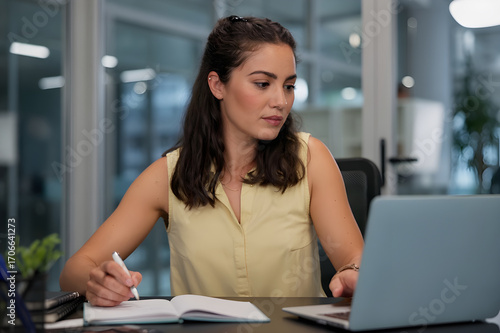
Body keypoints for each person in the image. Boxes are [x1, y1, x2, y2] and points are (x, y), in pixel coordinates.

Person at [60, 15, 363, 307]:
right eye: (262, 84)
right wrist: (98, 282)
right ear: (218, 85)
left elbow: (355, 262)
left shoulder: (311, 158)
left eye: (288, 85)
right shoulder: (167, 175)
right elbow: (73, 270)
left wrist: (354, 274)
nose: (280, 101)